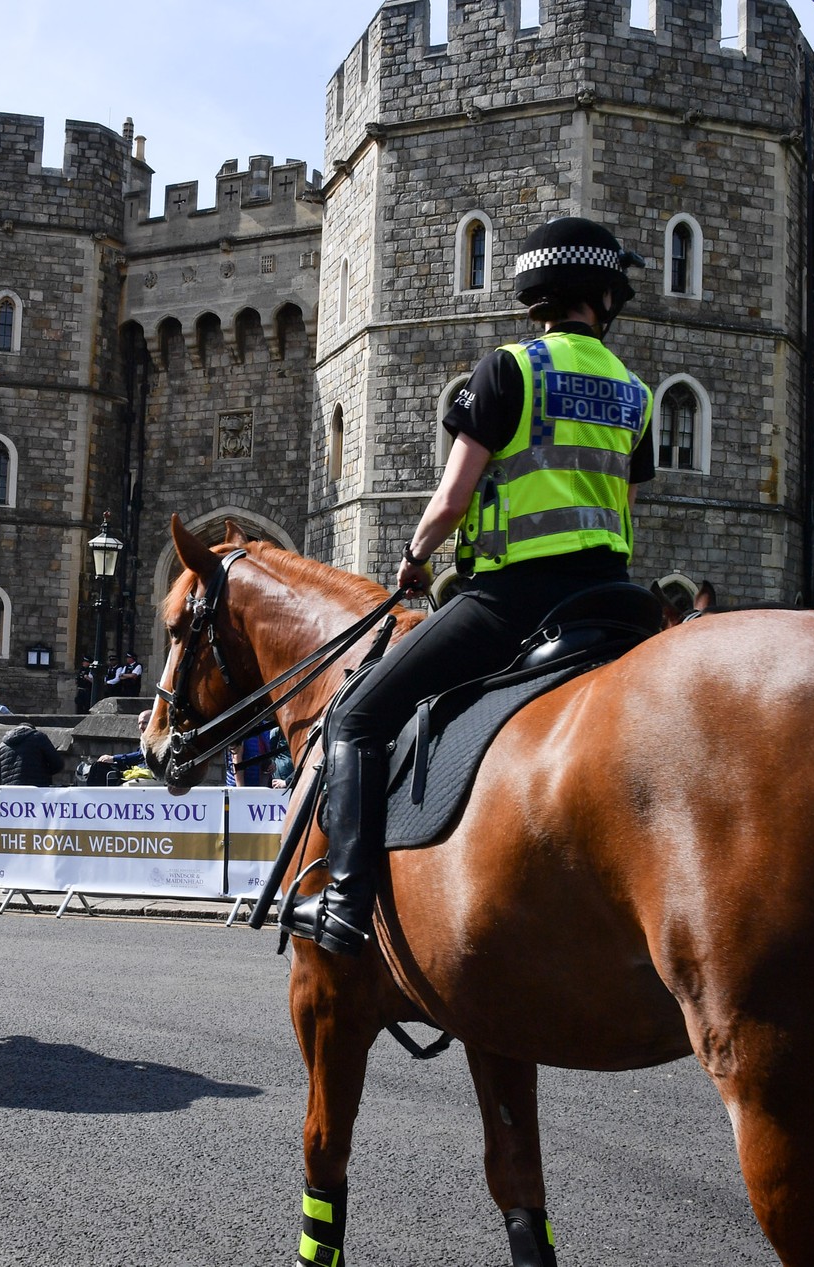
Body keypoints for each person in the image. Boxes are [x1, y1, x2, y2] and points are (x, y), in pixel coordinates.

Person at [282, 215, 655, 956]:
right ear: (603, 297)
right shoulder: (635, 393)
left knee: (355, 715)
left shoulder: (510, 370)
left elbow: (453, 498)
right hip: (615, 600)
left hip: (516, 601)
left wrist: (416, 556)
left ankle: (346, 902)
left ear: (537, 294)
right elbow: (626, 502)